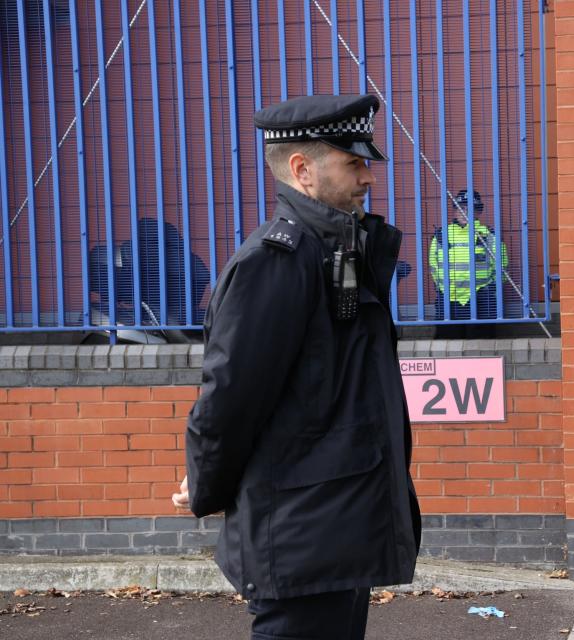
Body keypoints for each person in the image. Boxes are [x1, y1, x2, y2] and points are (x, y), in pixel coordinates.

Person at [171, 93, 420, 640]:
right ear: (303, 170)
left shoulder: (338, 252)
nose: (368, 178)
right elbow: (230, 398)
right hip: (302, 537)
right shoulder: (275, 263)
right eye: (354, 163)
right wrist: (205, 483)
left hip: (334, 527)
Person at [428, 189, 508, 338]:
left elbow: (502, 267)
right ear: (454, 212)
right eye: (460, 208)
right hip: (449, 298)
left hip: (482, 297)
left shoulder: (489, 235)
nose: (464, 212)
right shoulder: (441, 235)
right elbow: (433, 265)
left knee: (483, 345)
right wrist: (442, 287)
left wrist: (489, 287)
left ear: (478, 212)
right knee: (448, 346)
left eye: (470, 209)